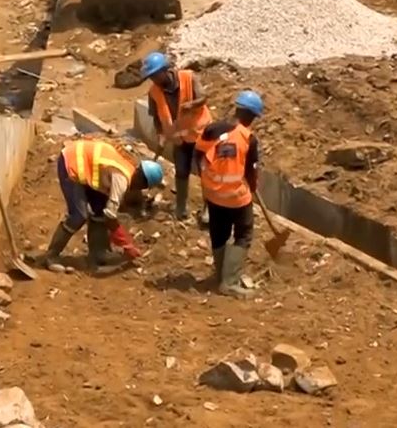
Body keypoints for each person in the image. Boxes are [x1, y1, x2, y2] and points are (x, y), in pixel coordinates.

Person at [41, 137, 165, 272]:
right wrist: (127, 244)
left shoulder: (128, 168)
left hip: (84, 162)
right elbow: (110, 217)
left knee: (99, 209)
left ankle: (98, 254)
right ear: (142, 183)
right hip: (71, 162)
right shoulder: (121, 179)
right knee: (78, 215)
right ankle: (51, 256)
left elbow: (106, 212)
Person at [194, 90, 264, 298]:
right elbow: (251, 171)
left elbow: (198, 155)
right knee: (243, 234)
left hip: (213, 194)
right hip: (237, 197)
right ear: (251, 116)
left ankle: (220, 275)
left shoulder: (212, 129)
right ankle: (230, 282)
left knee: (219, 232)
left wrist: (207, 180)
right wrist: (251, 187)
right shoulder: (248, 139)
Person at [139, 51, 212, 222]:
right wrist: (160, 134)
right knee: (181, 172)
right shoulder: (154, 92)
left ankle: (208, 209)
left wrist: (191, 105)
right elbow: (157, 117)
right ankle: (181, 207)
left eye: (155, 75)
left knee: (205, 173)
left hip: (200, 135)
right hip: (179, 139)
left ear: (165, 70)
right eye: (151, 77)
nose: (154, 80)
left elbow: (203, 97)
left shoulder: (189, 77)